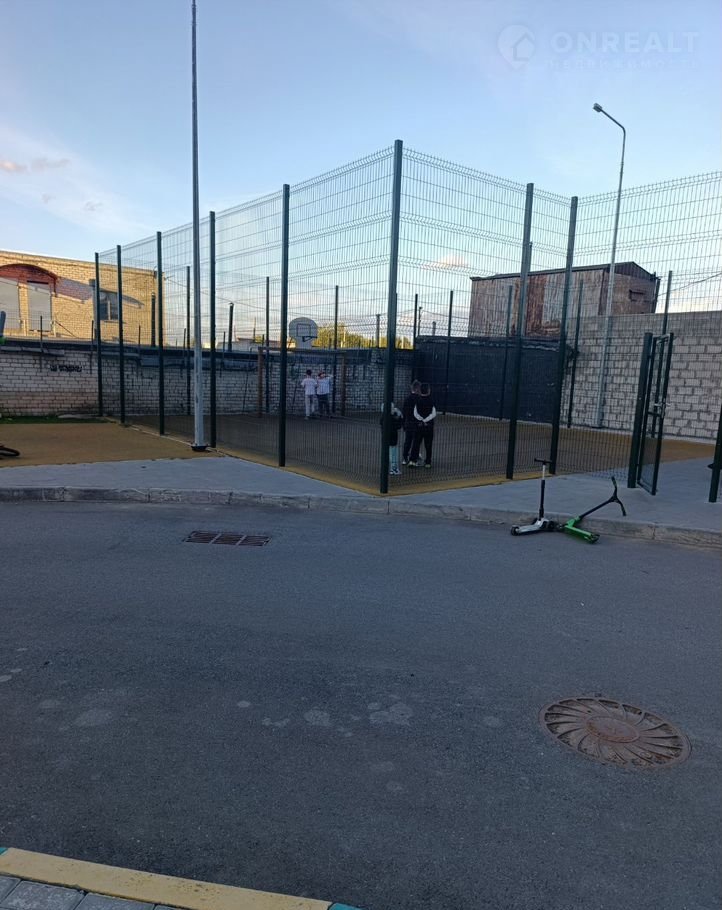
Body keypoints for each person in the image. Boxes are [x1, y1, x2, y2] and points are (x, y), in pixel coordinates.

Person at [409, 383, 436, 468]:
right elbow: (433, 413)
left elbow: (415, 413)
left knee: (416, 443)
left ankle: (412, 461)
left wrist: (421, 419)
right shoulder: (432, 401)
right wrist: (426, 420)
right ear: (428, 391)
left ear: (420, 391)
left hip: (419, 426)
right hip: (429, 426)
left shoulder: (418, 400)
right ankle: (428, 462)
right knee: (428, 444)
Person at [380, 402, 404, 475]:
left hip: (385, 438)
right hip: (392, 438)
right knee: (393, 453)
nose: (394, 409)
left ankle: (386, 468)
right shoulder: (391, 418)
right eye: (393, 408)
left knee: (387, 453)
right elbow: (398, 426)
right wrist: (400, 416)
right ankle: (393, 469)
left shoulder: (383, 416)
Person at [401, 380, 421, 465]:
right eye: (419, 388)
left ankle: (405, 458)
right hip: (416, 424)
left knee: (407, 441)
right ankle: (413, 459)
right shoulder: (419, 399)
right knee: (416, 442)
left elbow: (404, 412)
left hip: (408, 423)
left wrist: (403, 424)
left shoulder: (407, 399)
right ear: (417, 389)